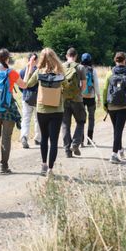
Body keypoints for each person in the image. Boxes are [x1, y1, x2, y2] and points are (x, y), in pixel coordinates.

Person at [23, 48, 66, 176]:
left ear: (41, 59)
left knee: (44, 139)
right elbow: (67, 85)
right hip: (57, 110)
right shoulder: (60, 72)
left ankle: (43, 164)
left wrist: (30, 68)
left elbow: (27, 85)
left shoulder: (39, 72)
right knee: (54, 140)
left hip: (42, 109)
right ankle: (51, 169)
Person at [101, 51, 126, 164]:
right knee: (118, 130)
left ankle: (120, 150)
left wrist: (104, 104)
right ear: (125, 60)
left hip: (111, 105)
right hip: (123, 106)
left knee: (117, 130)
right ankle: (114, 154)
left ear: (115, 60)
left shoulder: (109, 73)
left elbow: (105, 90)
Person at [60, 48, 87, 158]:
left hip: (64, 99)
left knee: (65, 124)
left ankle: (67, 150)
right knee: (81, 122)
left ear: (67, 55)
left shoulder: (61, 67)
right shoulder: (80, 67)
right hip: (77, 99)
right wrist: (78, 92)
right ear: (76, 56)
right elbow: (84, 85)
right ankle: (75, 144)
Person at [18, 52, 41, 149]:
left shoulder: (23, 71)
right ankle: (38, 138)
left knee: (26, 119)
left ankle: (24, 136)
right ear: (35, 60)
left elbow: (20, 86)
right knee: (38, 120)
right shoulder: (39, 71)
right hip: (38, 98)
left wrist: (24, 93)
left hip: (26, 98)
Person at [80, 53, 100, 144]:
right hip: (91, 97)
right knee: (91, 118)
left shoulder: (79, 69)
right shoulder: (93, 70)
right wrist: (99, 97)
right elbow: (96, 85)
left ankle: (81, 139)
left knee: (81, 118)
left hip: (81, 97)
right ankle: (90, 139)